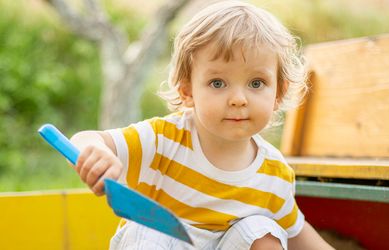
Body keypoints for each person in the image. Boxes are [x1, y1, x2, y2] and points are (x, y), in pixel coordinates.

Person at [70, 1, 333, 249]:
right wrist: (96, 153)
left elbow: (298, 234)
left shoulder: (274, 175)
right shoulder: (165, 139)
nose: (239, 99)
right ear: (188, 91)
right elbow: (85, 138)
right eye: (218, 83)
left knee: (264, 231)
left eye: (256, 83)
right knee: (147, 228)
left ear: (278, 92)